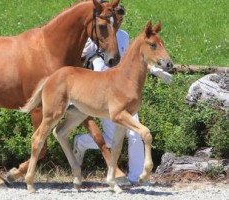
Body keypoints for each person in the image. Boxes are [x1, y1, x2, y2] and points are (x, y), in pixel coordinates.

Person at [74, 5, 172, 185]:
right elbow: (81, 55)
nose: (118, 23)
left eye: (120, 20)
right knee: (111, 139)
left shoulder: (125, 37)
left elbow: (131, 63)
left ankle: (137, 177)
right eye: (115, 20)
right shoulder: (96, 35)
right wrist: (94, 60)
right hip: (102, 91)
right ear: (110, 19)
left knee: (135, 134)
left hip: (125, 91)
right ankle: (81, 142)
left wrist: (154, 70)